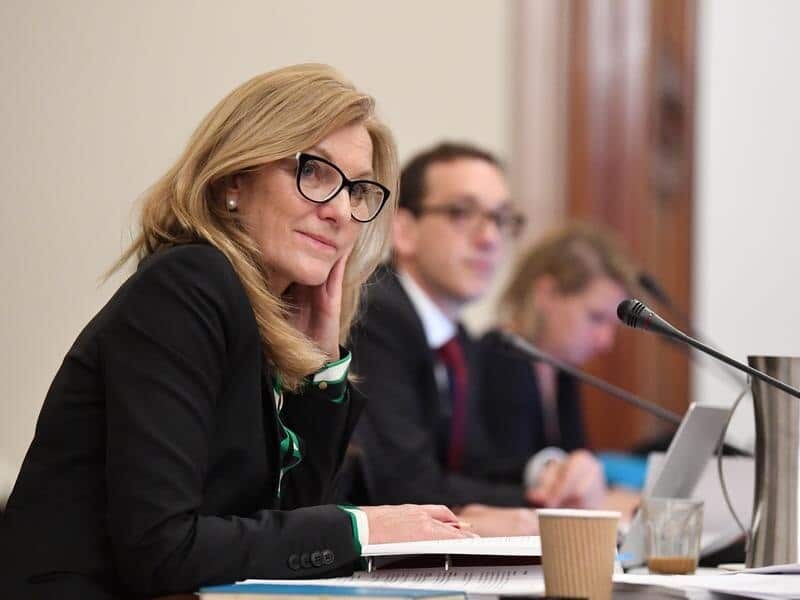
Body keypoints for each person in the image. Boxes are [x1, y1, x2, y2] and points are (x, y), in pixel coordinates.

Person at [0, 64, 471, 600]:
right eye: (315, 171)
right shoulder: (188, 285)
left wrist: (320, 371)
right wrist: (360, 529)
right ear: (232, 180)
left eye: (358, 189)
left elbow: (277, 536)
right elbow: (163, 551)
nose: (341, 210)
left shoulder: (258, 313)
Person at [350, 142, 567, 536]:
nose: (490, 238)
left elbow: (472, 467)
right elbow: (407, 486)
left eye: (501, 219)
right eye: (462, 213)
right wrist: (545, 506)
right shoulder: (376, 315)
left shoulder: (458, 339)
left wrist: (549, 475)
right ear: (404, 230)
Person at [477, 222, 639, 510]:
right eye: (595, 318)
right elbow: (500, 480)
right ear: (546, 293)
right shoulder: (498, 357)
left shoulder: (562, 372)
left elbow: (577, 461)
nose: (606, 341)